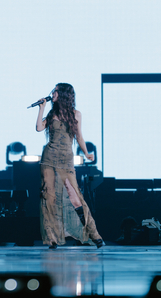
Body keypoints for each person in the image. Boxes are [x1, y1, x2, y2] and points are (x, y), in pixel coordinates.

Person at [35, 83, 104, 249]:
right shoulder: (52, 114)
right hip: (49, 160)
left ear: (63, 94)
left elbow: (79, 136)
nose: (53, 93)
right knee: (49, 198)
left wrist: (86, 153)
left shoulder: (76, 114)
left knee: (75, 198)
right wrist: (41, 109)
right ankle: (52, 239)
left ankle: (94, 235)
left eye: (56, 91)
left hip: (66, 160)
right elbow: (38, 128)